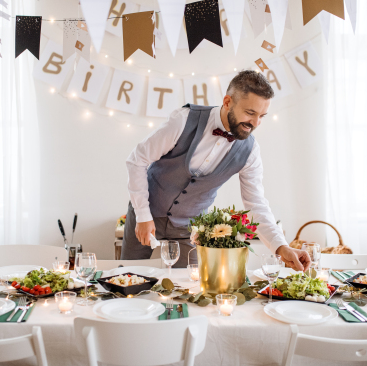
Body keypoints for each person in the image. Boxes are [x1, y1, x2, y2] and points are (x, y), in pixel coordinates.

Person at [121, 70, 310, 270]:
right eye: (250, 113)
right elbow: (137, 159)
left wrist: (281, 247)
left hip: (190, 229)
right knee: (128, 279)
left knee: (188, 289)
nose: (255, 124)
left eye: (262, 116)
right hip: (145, 213)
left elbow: (256, 203)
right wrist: (143, 215)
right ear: (227, 102)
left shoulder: (250, 150)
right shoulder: (183, 119)